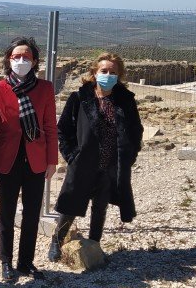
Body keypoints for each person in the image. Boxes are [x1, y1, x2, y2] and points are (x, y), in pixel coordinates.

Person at [48, 52, 143, 262]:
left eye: (112, 72)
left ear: (119, 75)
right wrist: (71, 155)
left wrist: (129, 155)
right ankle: (57, 240)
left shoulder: (125, 100)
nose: (108, 75)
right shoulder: (79, 98)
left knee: (100, 206)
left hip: (110, 163)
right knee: (70, 203)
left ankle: (94, 244)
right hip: (83, 162)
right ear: (94, 72)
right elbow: (63, 129)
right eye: (104, 71)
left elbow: (136, 130)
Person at [0, 36, 58, 282]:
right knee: (6, 212)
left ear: (35, 61)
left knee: (32, 213)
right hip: (7, 158)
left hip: (36, 158)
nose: (21, 60)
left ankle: (25, 262)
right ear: (9, 59)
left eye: (26, 56)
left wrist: (52, 160)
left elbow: (50, 126)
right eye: (16, 56)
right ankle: (6, 262)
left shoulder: (45, 88)